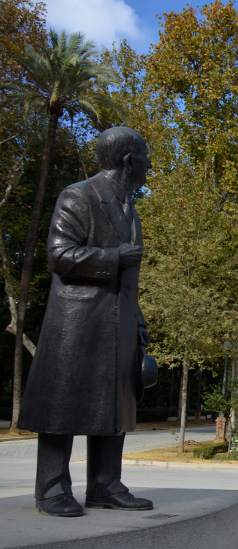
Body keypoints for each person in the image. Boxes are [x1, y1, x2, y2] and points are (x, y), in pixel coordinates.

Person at [18, 127, 154, 517]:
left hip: (119, 324)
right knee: (62, 404)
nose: (149, 165)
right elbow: (59, 255)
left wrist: (138, 321)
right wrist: (114, 257)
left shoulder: (130, 210)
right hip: (78, 321)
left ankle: (105, 485)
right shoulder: (79, 195)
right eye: (145, 157)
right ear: (128, 160)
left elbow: (128, 281)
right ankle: (52, 489)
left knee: (114, 405)